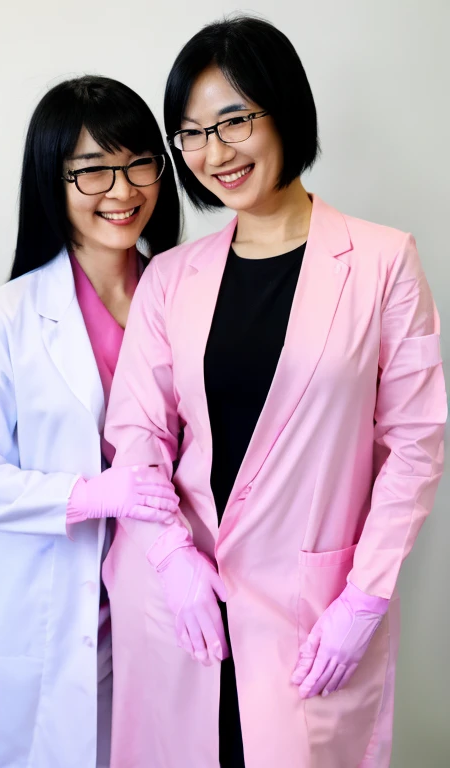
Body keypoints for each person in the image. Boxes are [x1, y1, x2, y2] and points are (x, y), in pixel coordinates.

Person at [101, 16, 447, 768]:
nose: (213, 153)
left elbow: (416, 447)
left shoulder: (385, 262)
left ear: (285, 110)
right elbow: (137, 435)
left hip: (310, 607)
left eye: (234, 121)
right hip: (178, 606)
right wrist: (170, 560)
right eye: (190, 133)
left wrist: (365, 596)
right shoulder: (168, 278)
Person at [0, 75, 181, 768]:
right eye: (94, 169)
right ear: (54, 176)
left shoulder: (187, 294)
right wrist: (85, 496)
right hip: (39, 617)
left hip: (156, 604)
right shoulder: (0, 318)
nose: (123, 188)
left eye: (139, 163)